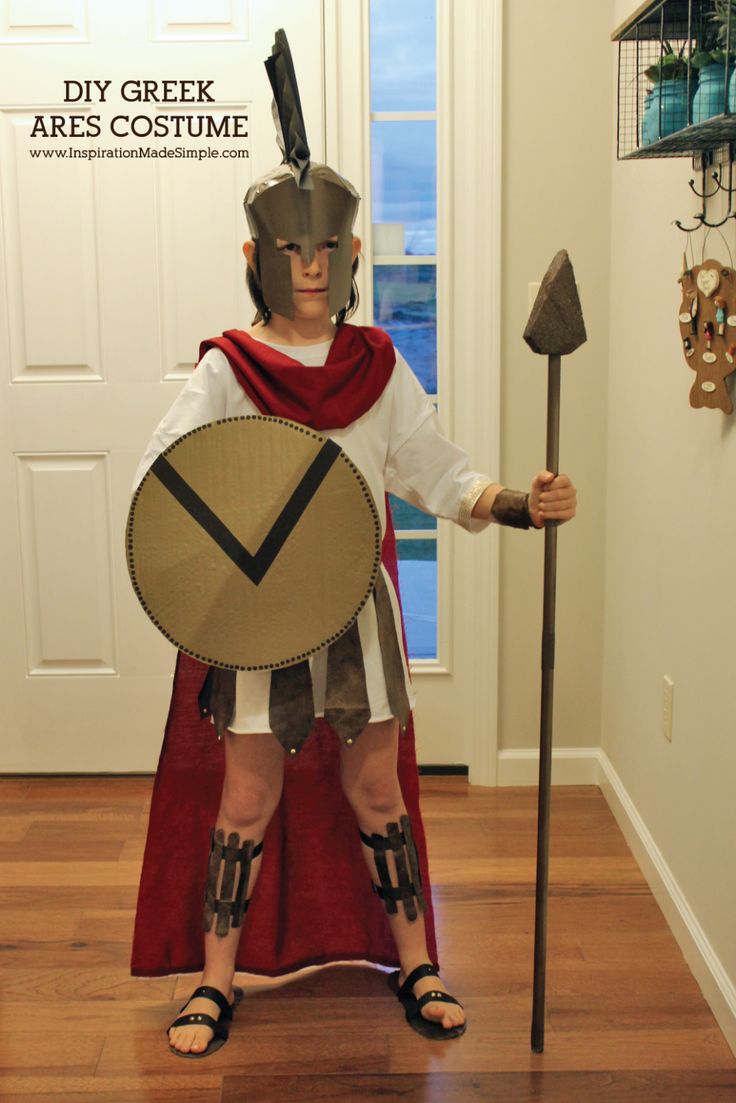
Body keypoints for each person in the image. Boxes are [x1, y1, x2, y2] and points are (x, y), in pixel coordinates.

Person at [129, 30, 577, 1059]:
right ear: (260, 260)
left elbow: (436, 472)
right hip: (257, 611)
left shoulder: (379, 364)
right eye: (293, 249)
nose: (312, 265)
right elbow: (173, 477)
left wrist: (516, 501)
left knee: (375, 789)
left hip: (356, 608)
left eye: (327, 247)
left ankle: (415, 959)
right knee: (246, 794)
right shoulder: (230, 369)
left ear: (352, 254)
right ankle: (215, 978)